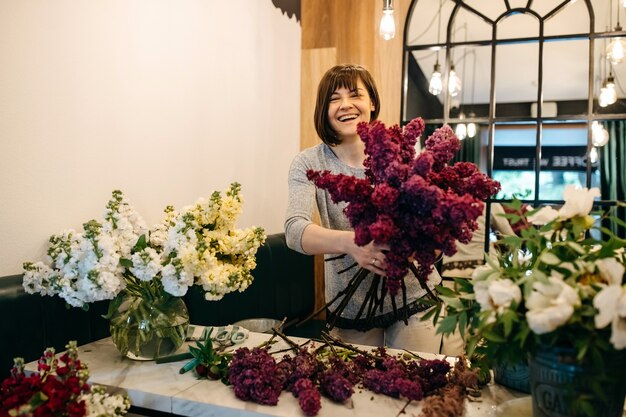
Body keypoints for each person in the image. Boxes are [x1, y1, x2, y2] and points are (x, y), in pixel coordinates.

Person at [284, 64, 462, 355]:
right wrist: (353, 244)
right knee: (356, 395)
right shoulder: (309, 163)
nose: (345, 105)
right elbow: (294, 230)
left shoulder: (402, 155)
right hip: (351, 307)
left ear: (372, 103)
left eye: (355, 95)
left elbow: (436, 228)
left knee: (412, 389)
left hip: (414, 297)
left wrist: (422, 243)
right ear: (323, 108)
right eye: (333, 98)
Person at [441, 202, 516, 281]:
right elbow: (511, 239)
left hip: (450, 269)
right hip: (484, 266)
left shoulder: (447, 201)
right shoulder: (489, 203)